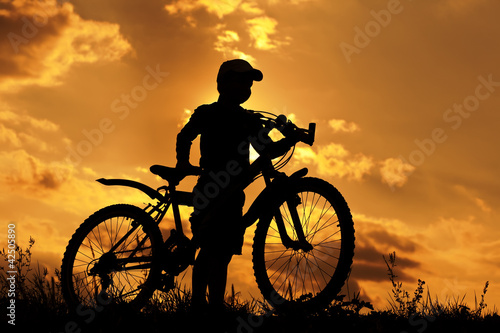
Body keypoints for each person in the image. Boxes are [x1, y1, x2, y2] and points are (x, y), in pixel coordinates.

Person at [175, 59, 294, 314]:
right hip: (210, 185)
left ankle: (212, 306)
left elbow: (266, 149)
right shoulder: (207, 112)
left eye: (249, 84)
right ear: (222, 83)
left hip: (233, 192)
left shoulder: (249, 120)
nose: (246, 87)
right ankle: (202, 304)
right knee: (210, 247)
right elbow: (185, 135)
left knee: (224, 249)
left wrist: (288, 140)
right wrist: (182, 162)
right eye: (240, 81)